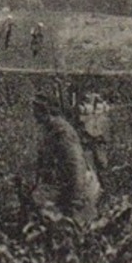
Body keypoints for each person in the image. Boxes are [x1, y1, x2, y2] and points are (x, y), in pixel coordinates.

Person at [32, 94, 101, 223]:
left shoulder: (62, 133)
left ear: (45, 111)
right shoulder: (51, 130)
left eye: (36, 111)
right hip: (64, 185)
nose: (34, 116)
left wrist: (75, 198)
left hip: (77, 189)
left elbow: (76, 164)